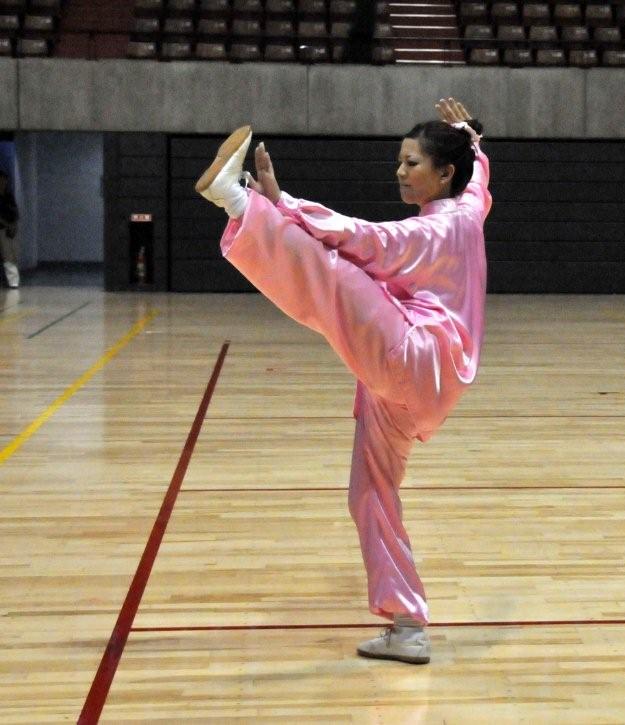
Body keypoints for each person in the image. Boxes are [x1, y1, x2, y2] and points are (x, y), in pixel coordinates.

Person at [194, 98, 491, 664]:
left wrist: (282, 202)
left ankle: (236, 200)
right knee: (370, 494)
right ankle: (408, 629)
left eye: (412, 163)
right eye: (399, 162)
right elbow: (481, 178)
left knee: (336, 276)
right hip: (413, 387)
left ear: (443, 173)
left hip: (415, 359)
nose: (400, 172)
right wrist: (472, 138)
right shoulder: (470, 206)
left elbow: (365, 240)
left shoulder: (439, 228)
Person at [0, 170, 19, 289]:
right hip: (2, 226)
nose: (3, 182)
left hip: (7, 230)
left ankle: (13, 282)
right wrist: (6, 223)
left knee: (9, 256)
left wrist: (13, 225)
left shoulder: (8, 195)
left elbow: (15, 211)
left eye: (4, 180)